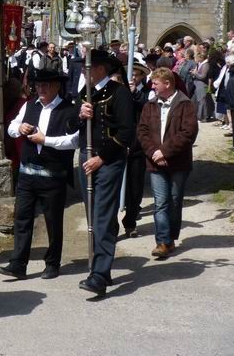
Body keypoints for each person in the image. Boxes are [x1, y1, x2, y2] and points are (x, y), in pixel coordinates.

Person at [0, 68, 79, 281]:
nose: (40, 89)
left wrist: (46, 141)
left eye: (46, 85)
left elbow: (74, 140)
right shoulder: (29, 104)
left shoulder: (68, 109)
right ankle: (18, 264)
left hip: (53, 176)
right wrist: (19, 128)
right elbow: (11, 127)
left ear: (57, 87)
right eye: (38, 85)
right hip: (27, 174)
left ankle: (52, 263)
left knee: (53, 221)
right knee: (22, 219)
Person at [70, 49, 136, 297]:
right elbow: (70, 126)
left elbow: (127, 133)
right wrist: (80, 115)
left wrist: (101, 158)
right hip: (87, 158)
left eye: (87, 67)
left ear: (99, 69)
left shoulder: (119, 94)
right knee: (93, 217)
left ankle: (98, 275)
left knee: (103, 217)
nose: (83, 72)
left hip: (107, 161)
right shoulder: (84, 94)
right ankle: (102, 270)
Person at [136, 67, 199, 259]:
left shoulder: (185, 104)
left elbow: (188, 133)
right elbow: (143, 131)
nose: (152, 86)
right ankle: (162, 241)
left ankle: (171, 237)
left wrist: (164, 151)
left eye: (155, 83)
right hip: (155, 163)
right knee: (160, 202)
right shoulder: (150, 105)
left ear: (167, 84)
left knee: (174, 200)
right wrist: (154, 152)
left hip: (178, 162)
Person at [122, 62, 150, 238]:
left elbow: (149, 108)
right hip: (120, 145)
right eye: (129, 74)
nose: (132, 77)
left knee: (135, 186)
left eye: (136, 74)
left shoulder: (147, 92)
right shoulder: (119, 90)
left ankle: (130, 221)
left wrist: (136, 94)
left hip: (138, 145)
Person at [3, 78, 27, 194]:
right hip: (10, 148)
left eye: (11, 90)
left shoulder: (23, 104)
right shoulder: (5, 105)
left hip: (19, 148)